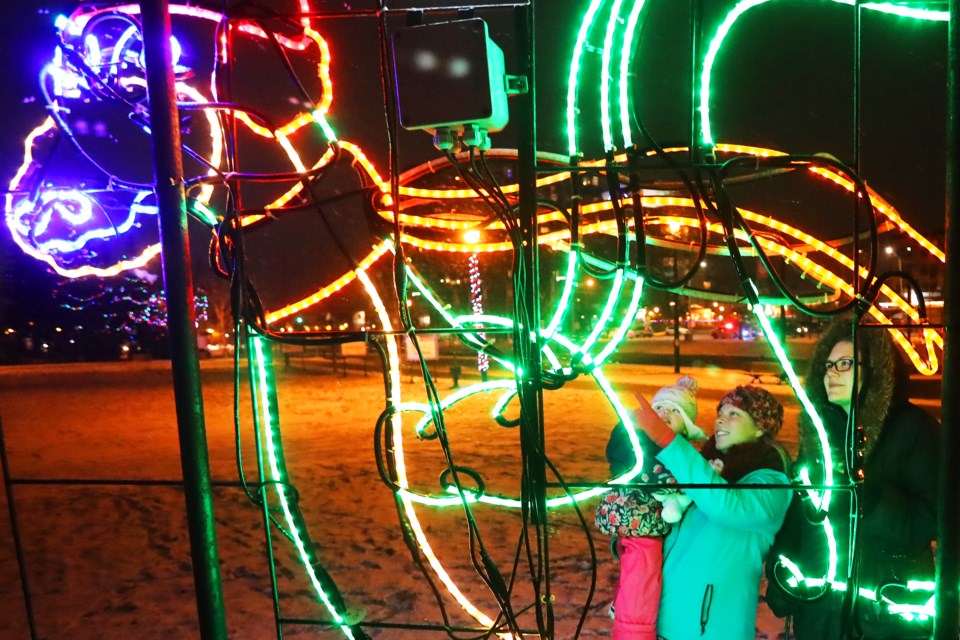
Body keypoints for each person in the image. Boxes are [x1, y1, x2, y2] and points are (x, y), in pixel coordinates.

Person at [766, 315, 939, 639]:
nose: (831, 373)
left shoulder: (913, 429)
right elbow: (799, 517)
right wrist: (782, 579)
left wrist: (868, 499)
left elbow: (930, 520)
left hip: (884, 616)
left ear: (875, 370)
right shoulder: (820, 435)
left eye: (844, 363)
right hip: (819, 614)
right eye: (828, 365)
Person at [631, 383, 792, 640]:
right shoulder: (706, 469)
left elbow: (724, 505)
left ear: (760, 427)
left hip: (710, 630)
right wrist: (631, 539)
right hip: (661, 621)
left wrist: (668, 440)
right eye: (720, 412)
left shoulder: (772, 484)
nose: (720, 420)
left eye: (734, 414)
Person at [600, 376, 708, 640]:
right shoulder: (639, 442)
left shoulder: (685, 451)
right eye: (659, 409)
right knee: (642, 570)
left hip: (650, 522)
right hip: (639, 520)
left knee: (648, 574)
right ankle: (633, 629)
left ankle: (630, 613)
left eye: (675, 411)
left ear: (687, 424)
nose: (665, 414)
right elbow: (630, 462)